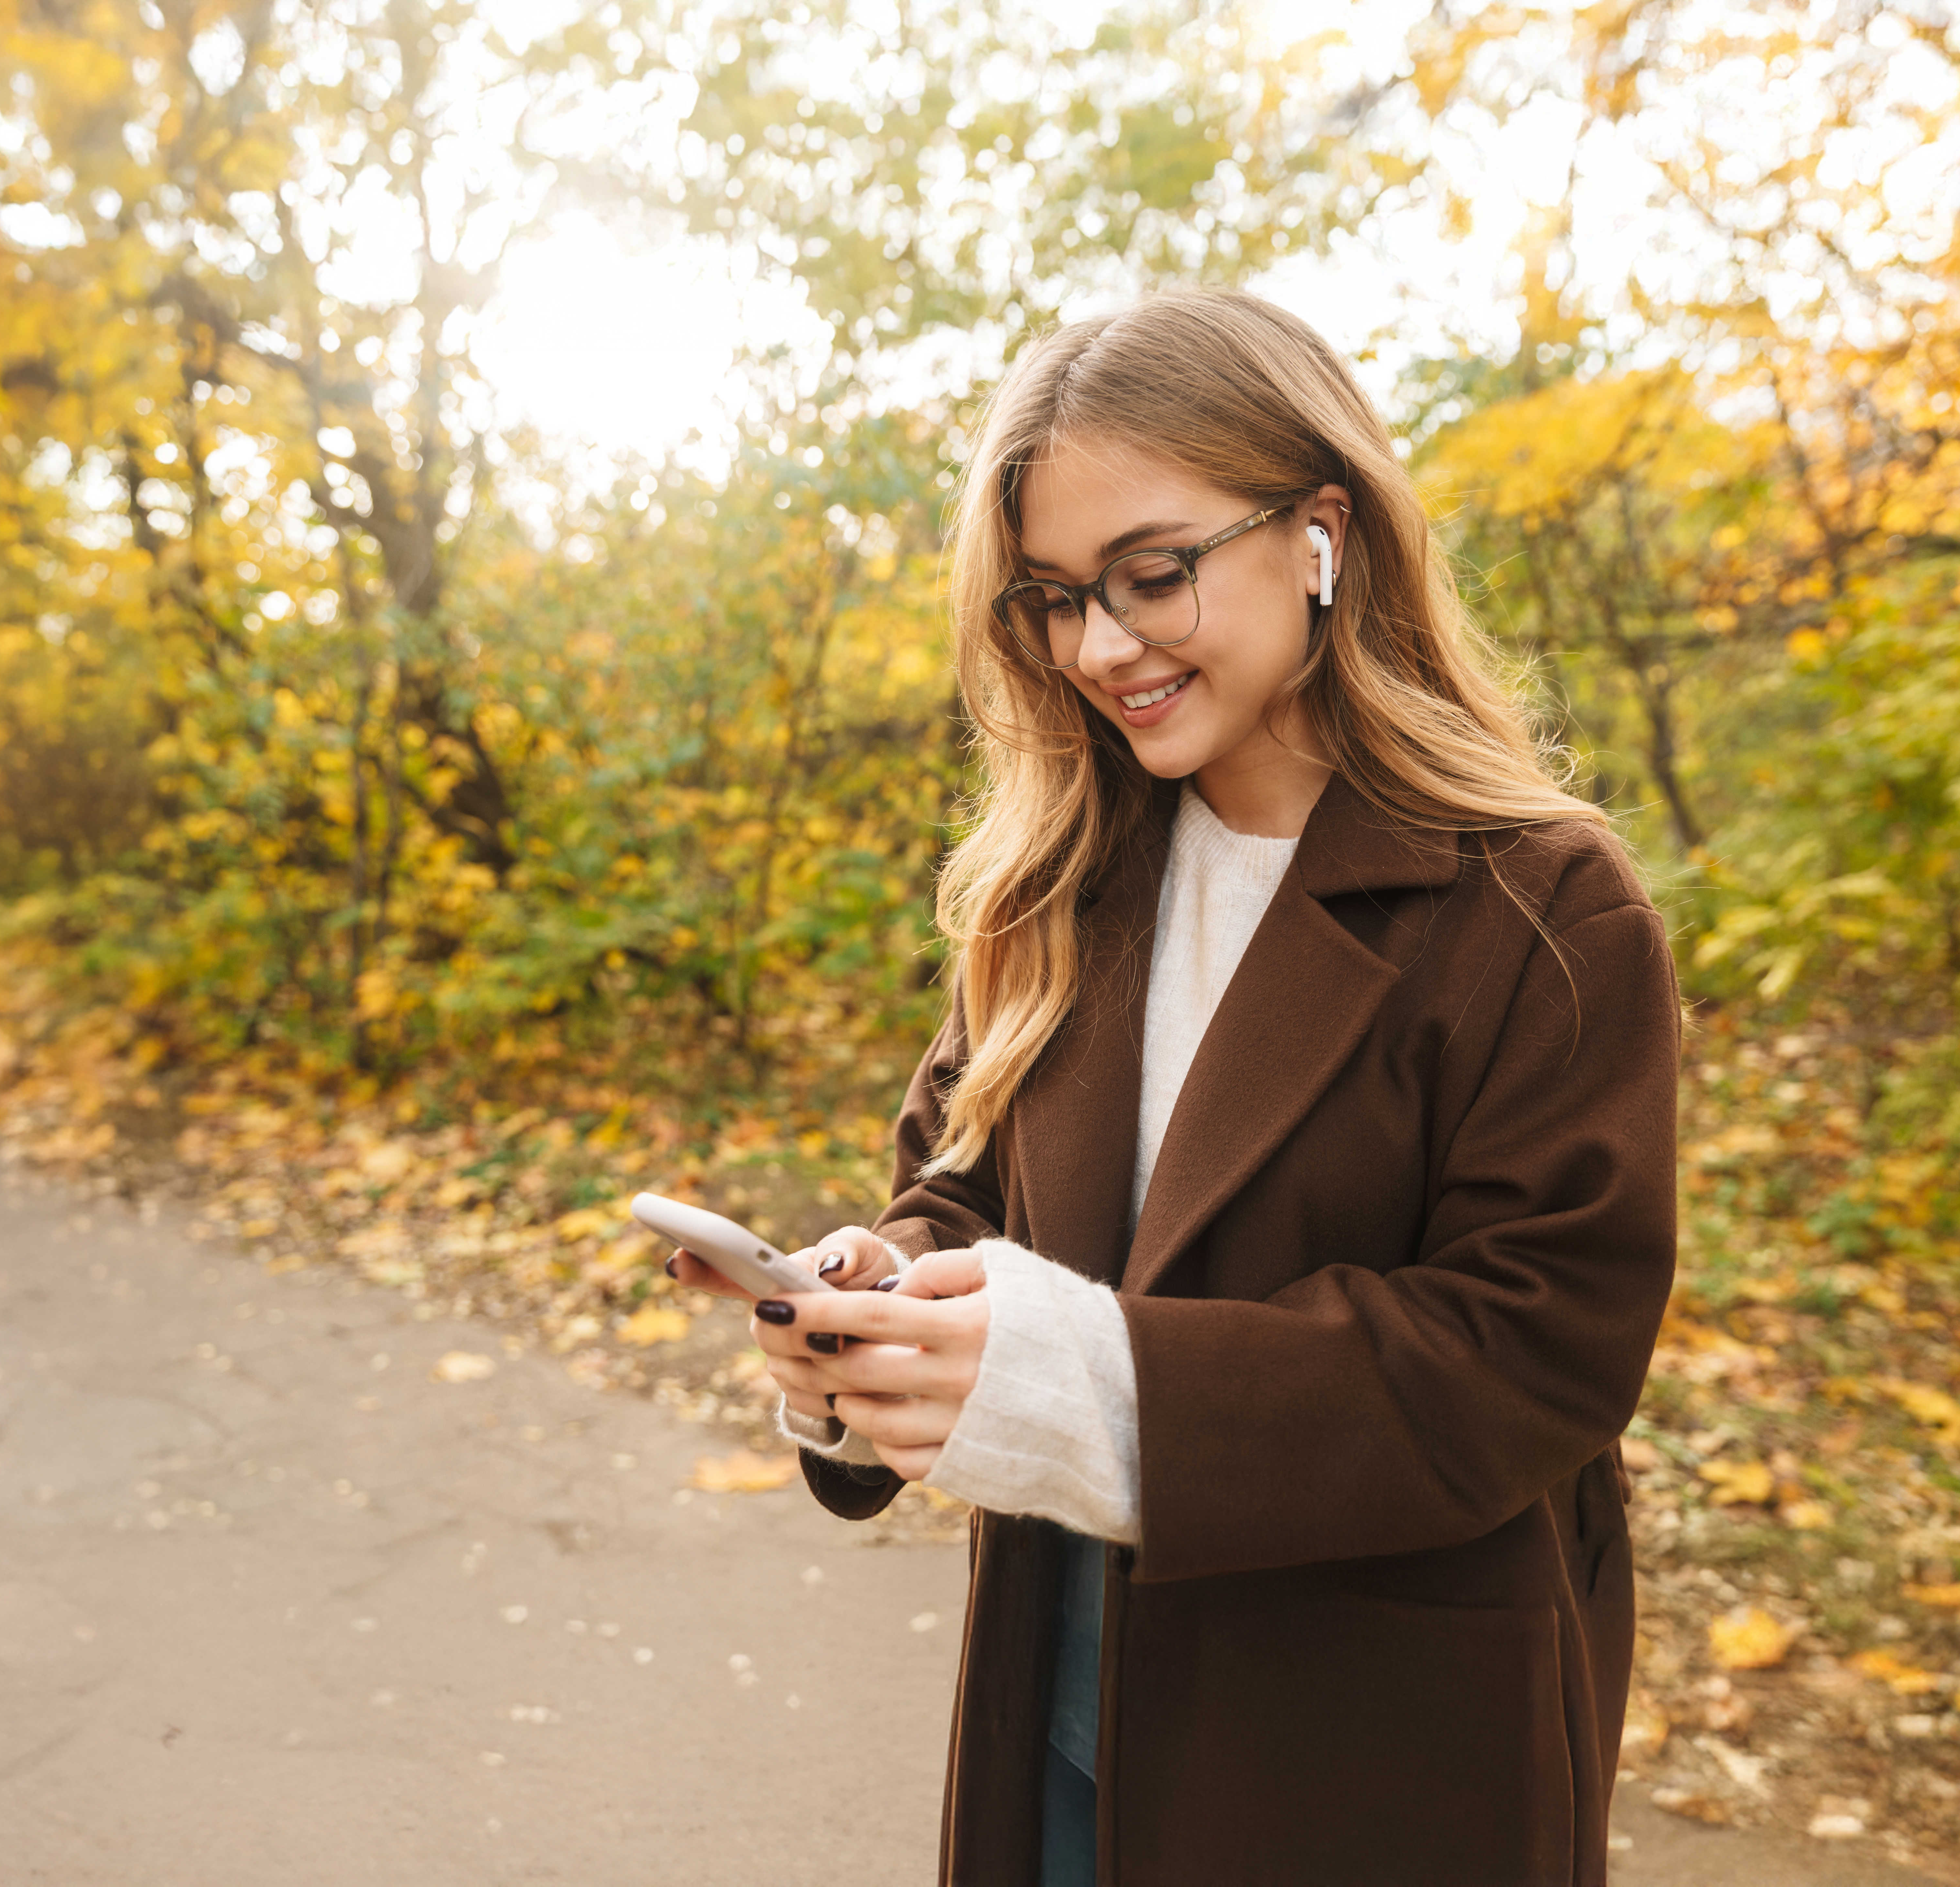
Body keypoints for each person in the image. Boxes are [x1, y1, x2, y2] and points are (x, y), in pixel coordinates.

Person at [667, 288, 1679, 1887]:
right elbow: (964, 1186)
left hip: (1377, 1766)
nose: (1103, 648)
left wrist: (1081, 1379)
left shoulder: (1541, 908)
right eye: (1060, 600)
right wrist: (868, 1304)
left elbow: (1532, 1350)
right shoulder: (1059, 882)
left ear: (1322, 532)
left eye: (1153, 575)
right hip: (1068, 1716)